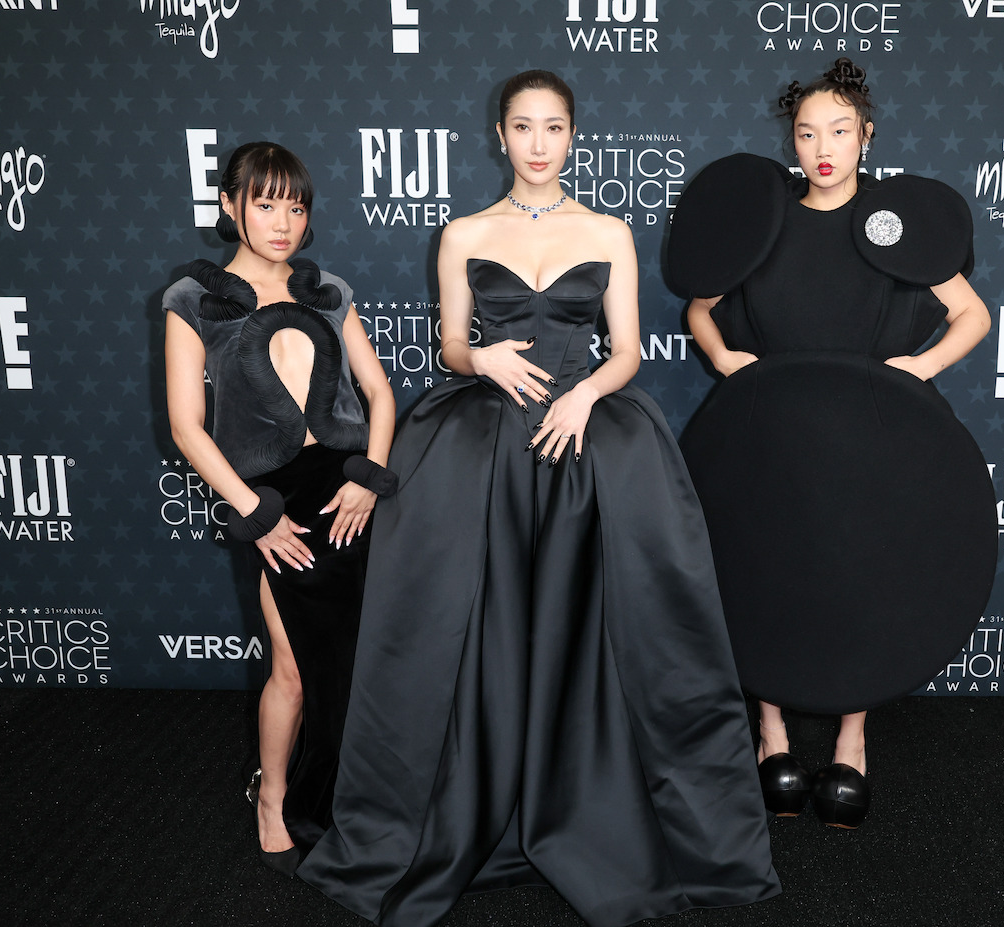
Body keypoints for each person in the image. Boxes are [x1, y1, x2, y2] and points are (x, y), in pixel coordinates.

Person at [298, 70, 780, 926]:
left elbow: (627, 348)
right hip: (483, 439)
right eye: (522, 127)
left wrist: (588, 392)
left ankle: (596, 801)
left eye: (553, 127)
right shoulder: (464, 231)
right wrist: (479, 359)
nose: (538, 143)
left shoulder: (607, 229)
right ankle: (469, 800)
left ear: (572, 135)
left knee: (604, 614)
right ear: (500, 134)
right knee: (471, 615)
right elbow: (450, 343)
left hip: (585, 428)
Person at [669, 58, 997, 828]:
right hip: (772, 437)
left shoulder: (897, 219)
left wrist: (919, 367)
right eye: (808, 131)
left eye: (840, 131)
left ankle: (853, 737)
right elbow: (700, 308)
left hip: (876, 441)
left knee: (865, 571)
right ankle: (771, 731)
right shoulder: (765, 218)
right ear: (792, 136)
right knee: (765, 570)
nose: (823, 146)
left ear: (866, 135)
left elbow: (973, 316)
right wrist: (721, 358)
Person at [163, 142, 396, 874]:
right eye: (264, 203)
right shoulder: (193, 300)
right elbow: (185, 426)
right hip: (272, 503)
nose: (282, 220)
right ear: (230, 205)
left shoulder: (327, 289)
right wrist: (255, 514)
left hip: (350, 496)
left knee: (360, 662)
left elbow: (382, 394)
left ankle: (350, 794)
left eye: (295, 206)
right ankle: (274, 796)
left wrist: (368, 475)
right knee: (293, 667)